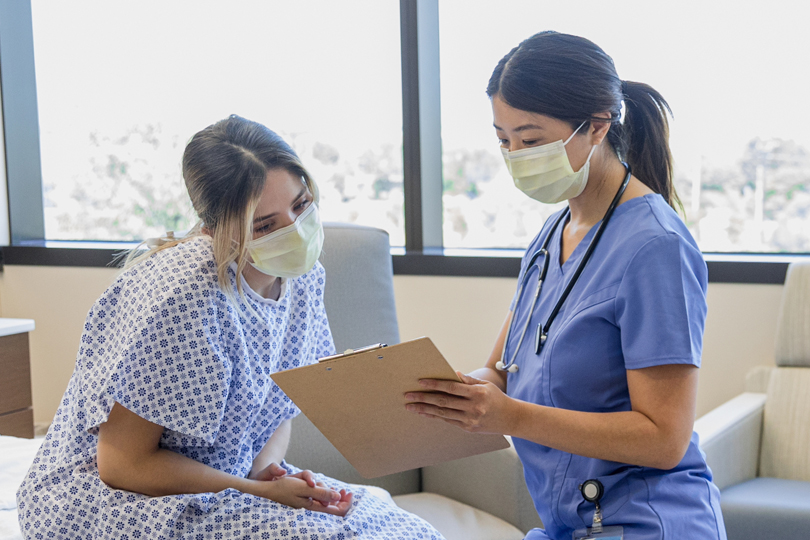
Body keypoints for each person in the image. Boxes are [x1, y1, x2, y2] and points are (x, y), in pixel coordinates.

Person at [17, 115, 443, 540]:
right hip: (114, 500)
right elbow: (122, 464)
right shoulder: (183, 294)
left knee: (407, 531)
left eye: (301, 205)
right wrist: (256, 490)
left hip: (227, 484)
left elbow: (277, 411)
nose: (295, 232)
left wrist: (268, 473)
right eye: (265, 225)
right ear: (214, 229)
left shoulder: (304, 277)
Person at [404, 32, 726, 540]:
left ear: (597, 125)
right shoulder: (553, 234)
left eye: (531, 140)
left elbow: (665, 438)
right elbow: (500, 370)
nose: (515, 155)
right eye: (504, 140)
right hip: (570, 525)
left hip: (646, 522)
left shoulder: (654, 247)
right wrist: (450, 397)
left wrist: (510, 416)